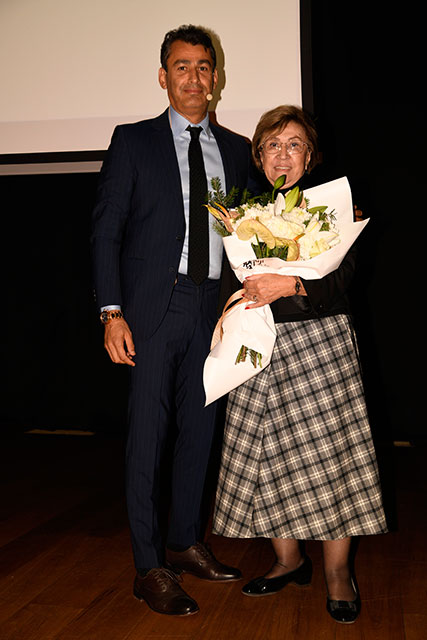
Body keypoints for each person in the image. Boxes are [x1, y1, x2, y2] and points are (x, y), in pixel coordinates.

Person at [91, 25, 250, 616]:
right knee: (148, 438)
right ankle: (148, 566)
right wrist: (111, 312)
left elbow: (257, 225)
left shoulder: (236, 149)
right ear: (164, 77)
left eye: (203, 67)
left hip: (214, 310)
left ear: (216, 78)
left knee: (200, 433)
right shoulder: (132, 141)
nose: (193, 77)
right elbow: (106, 230)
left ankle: (184, 542)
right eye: (181, 67)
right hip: (154, 308)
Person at [212, 105, 387, 624]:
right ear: (259, 156)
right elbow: (230, 284)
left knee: (332, 460)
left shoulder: (334, 207)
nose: (282, 155)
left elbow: (345, 277)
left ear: (310, 157)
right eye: (272, 145)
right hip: (260, 345)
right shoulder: (240, 214)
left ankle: (337, 572)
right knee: (267, 456)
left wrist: (289, 283)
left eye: (294, 145)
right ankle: (289, 561)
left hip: (321, 343)